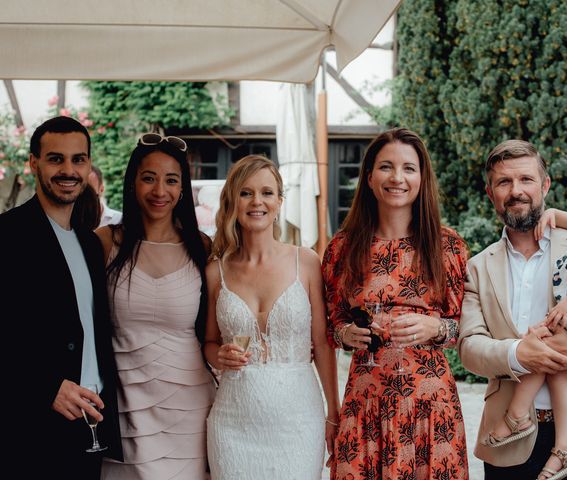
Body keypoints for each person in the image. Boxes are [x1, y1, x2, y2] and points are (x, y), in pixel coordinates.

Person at [458, 139, 567, 480]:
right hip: (509, 436)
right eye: (504, 182)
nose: (516, 191)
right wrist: (517, 354)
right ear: (489, 192)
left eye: (526, 180)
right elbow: (469, 349)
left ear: (545, 186)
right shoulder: (477, 268)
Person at [322, 128, 469, 480]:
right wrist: (346, 335)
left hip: (430, 407)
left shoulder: (448, 247)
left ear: (422, 178)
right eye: (386, 167)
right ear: (370, 177)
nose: (397, 178)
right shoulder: (342, 248)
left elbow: (468, 326)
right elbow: (331, 325)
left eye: (409, 168)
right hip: (365, 402)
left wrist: (437, 327)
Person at [0, 116, 122, 478]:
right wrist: (44, 388)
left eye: (78, 159)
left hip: (89, 424)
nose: (68, 170)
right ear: (33, 163)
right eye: (56, 159)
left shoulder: (88, 241)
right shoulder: (7, 236)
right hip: (28, 428)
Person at [205, 154, 339, 480]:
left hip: (299, 422)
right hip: (232, 424)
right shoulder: (214, 271)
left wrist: (334, 412)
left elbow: (322, 344)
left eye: (266, 193)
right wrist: (219, 355)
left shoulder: (305, 263)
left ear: (279, 202)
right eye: (246, 192)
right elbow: (208, 343)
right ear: (232, 201)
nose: (257, 202)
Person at [96, 133, 215, 479]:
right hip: (121, 404)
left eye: (171, 180)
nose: (160, 191)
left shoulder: (202, 246)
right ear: (132, 183)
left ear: (182, 190)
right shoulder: (106, 241)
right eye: (149, 178)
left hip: (188, 403)